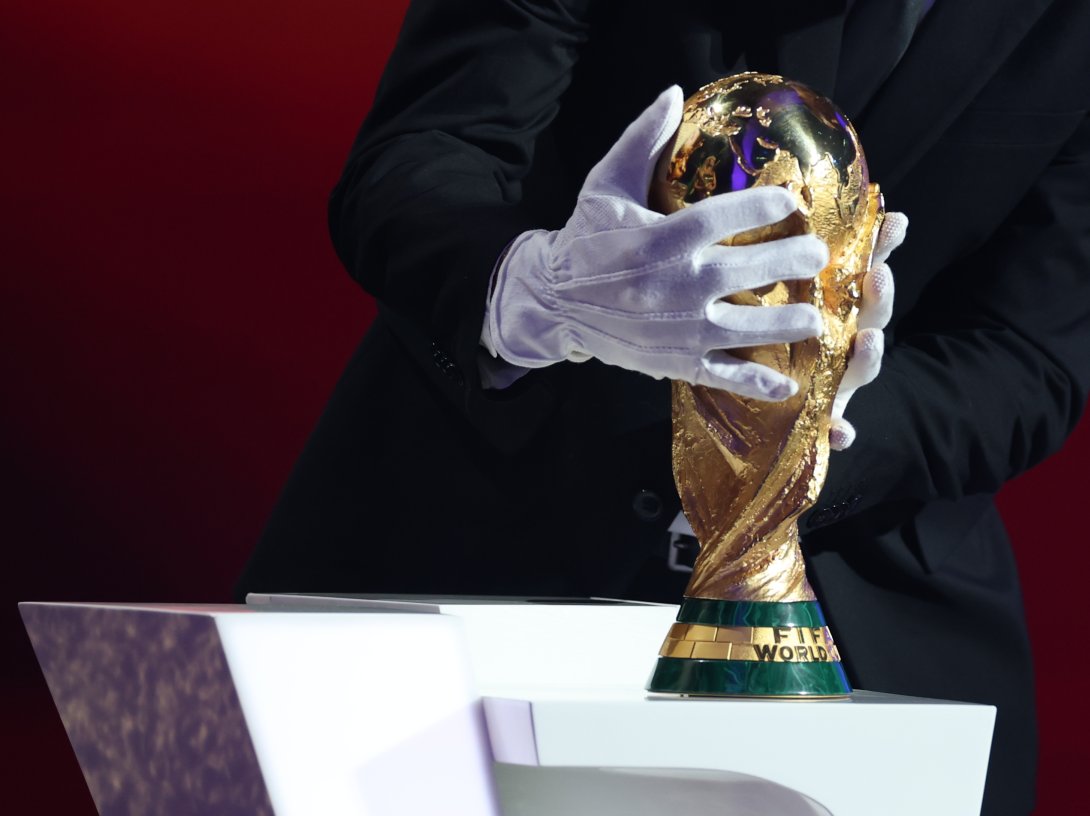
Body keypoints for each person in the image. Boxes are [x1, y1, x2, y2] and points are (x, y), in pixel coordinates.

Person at [236, 2, 1090, 813]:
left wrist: (812, 429)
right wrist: (540, 293)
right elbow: (419, 159)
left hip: (867, 626)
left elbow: (1031, 354)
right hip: (461, 564)